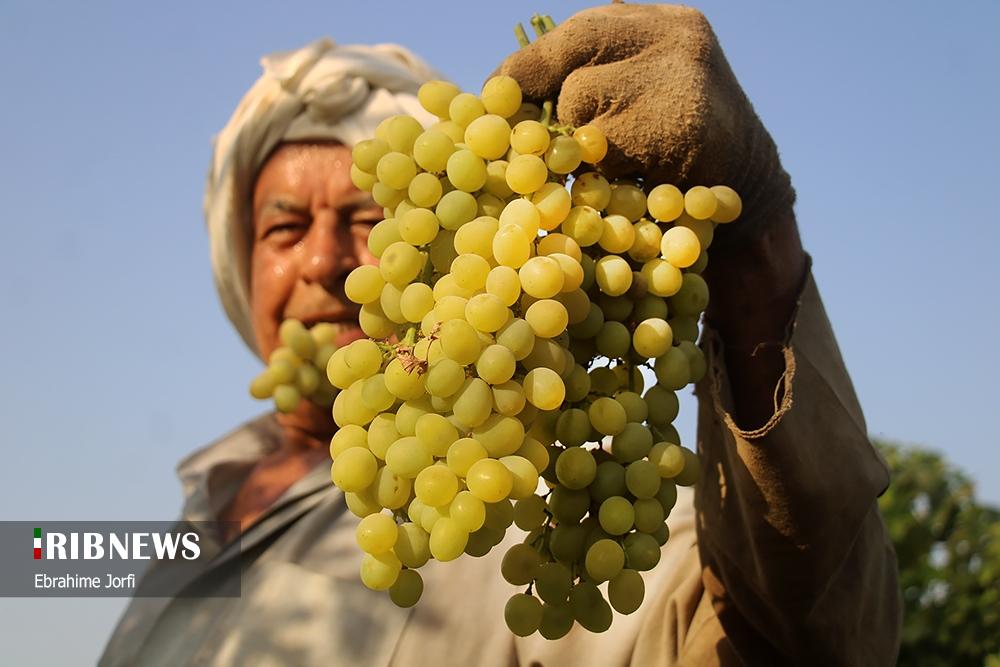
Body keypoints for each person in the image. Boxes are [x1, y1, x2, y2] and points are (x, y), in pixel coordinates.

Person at [101, 5, 901, 665]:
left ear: (445, 242)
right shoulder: (198, 497)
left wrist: (757, 250)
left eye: (365, 219)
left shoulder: (536, 486)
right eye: (284, 227)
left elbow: (796, 641)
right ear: (239, 260)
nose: (321, 261)